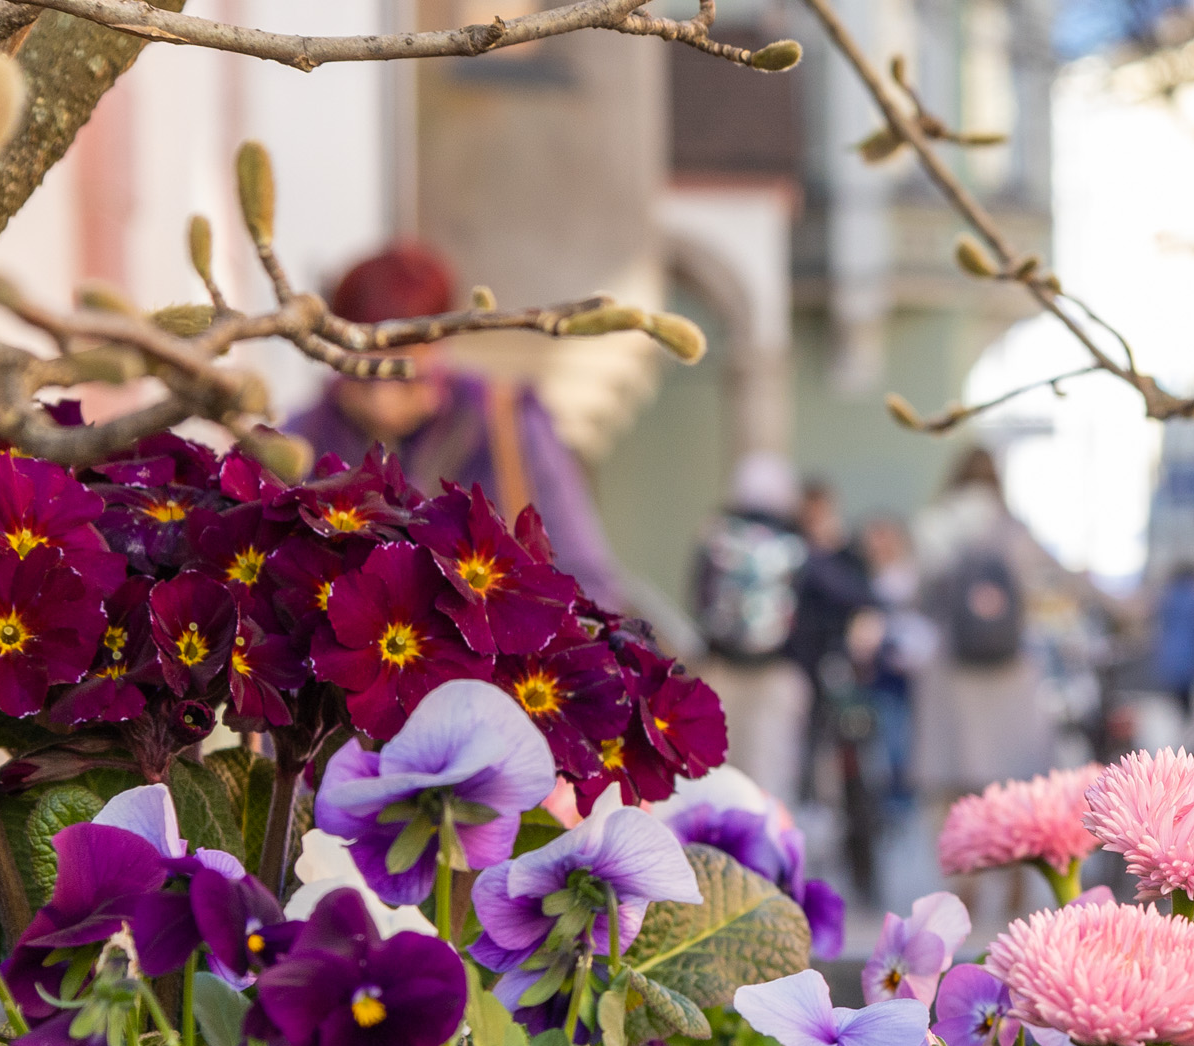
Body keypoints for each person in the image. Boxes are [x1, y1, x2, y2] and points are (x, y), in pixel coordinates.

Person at [285, 243, 633, 614]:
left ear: (441, 347)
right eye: (363, 375)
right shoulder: (297, 443)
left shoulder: (508, 423)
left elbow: (587, 585)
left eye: (403, 374)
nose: (383, 399)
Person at [911, 449, 1062, 809]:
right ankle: (1011, 866)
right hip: (1008, 672)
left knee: (954, 794)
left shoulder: (933, 527)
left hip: (951, 672)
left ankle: (964, 865)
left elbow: (917, 598)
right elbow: (1058, 577)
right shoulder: (1012, 530)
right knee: (1014, 793)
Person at [689, 451, 814, 801]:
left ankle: (716, 851)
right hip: (775, 670)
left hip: (721, 668)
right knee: (769, 778)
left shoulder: (716, 535)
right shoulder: (794, 542)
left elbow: (699, 599)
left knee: (719, 772)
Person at [787, 477, 874, 805]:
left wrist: (828, 552)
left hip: (838, 666)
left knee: (849, 755)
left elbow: (861, 595)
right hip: (800, 662)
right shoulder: (793, 549)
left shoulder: (843, 554)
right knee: (803, 752)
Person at [857, 514, 929, 814]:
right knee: (886, 742)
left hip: (908, 676)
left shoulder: (911, 579)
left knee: (903, 740)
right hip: (881, 676)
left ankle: (903, 795)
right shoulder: (865, 581)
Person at [1150, 562, 1194, 730]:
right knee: (1189, 702)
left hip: (1170, 657)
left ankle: (1183, 728)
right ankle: (1188, 732)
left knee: (1179, 702)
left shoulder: (1168, 596)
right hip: (1191, 657)